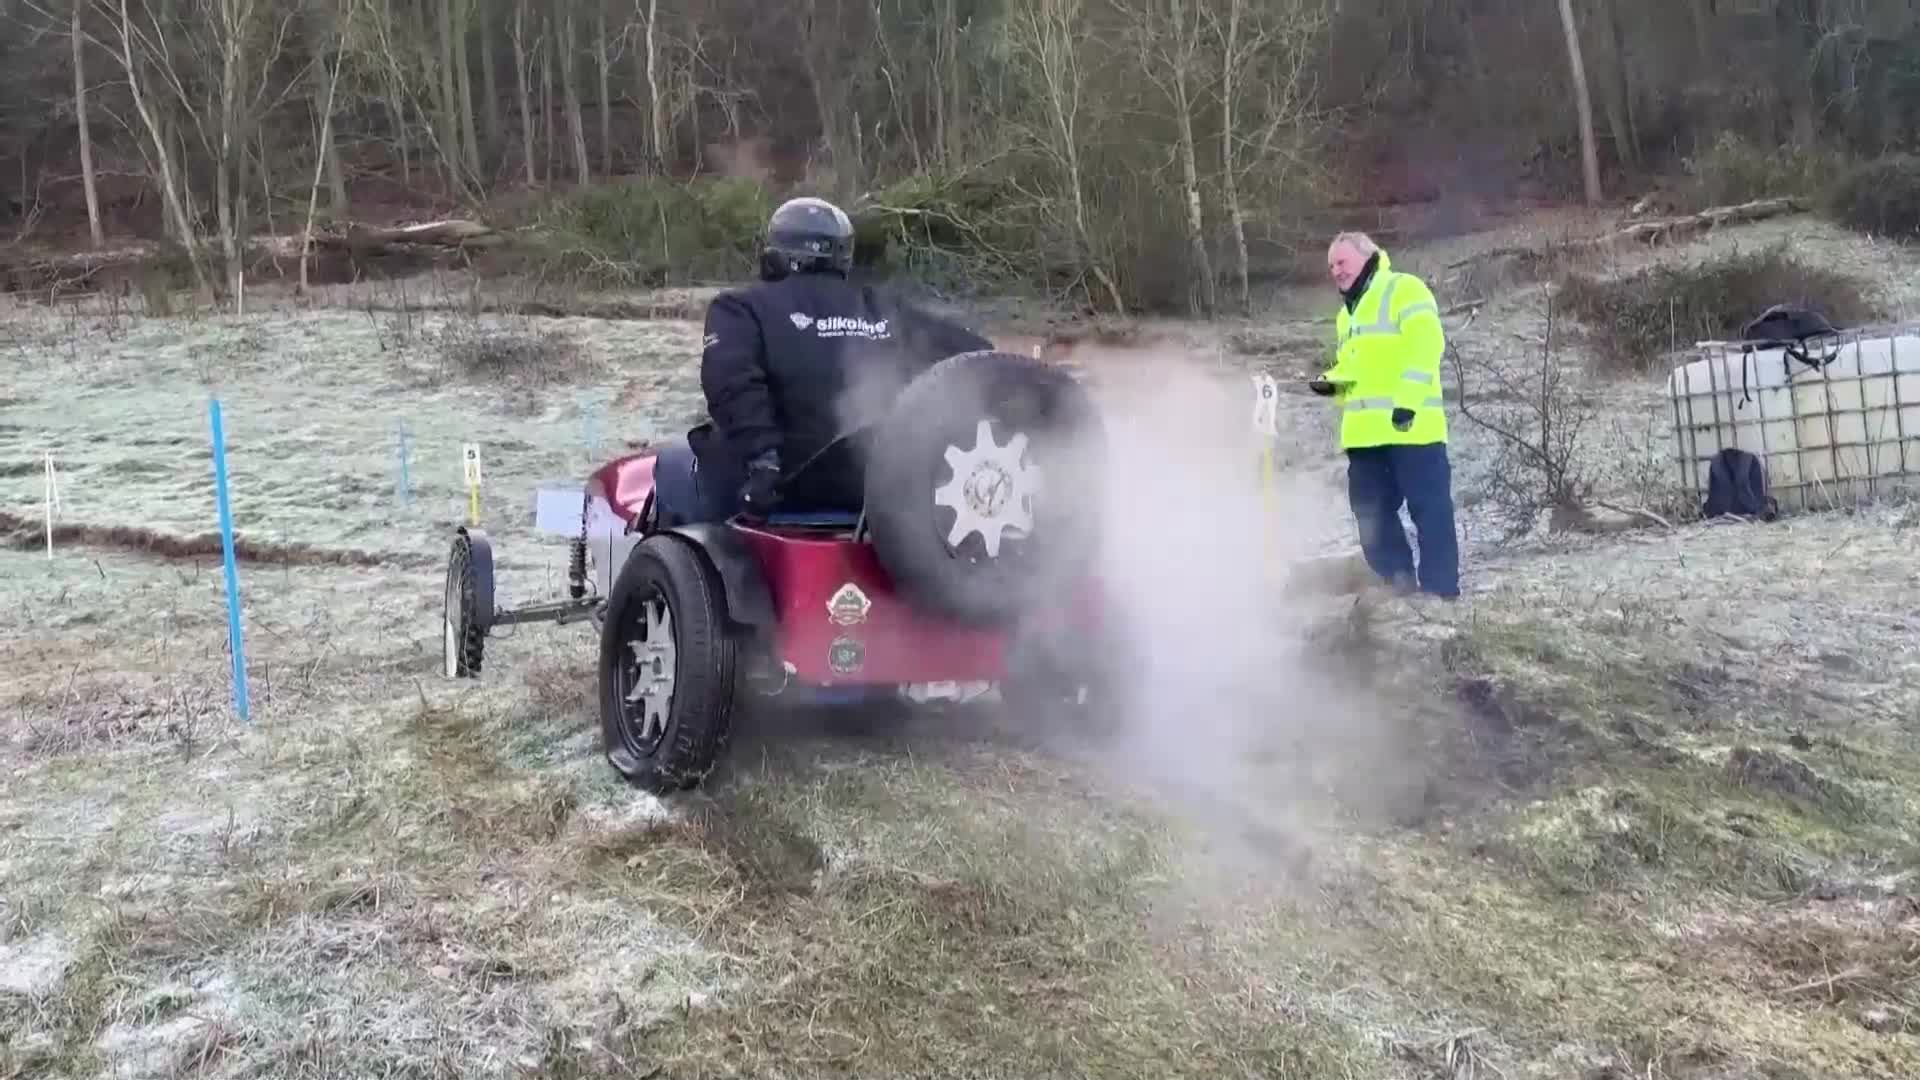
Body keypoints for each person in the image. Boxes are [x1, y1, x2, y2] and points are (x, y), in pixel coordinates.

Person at [658, 196, 995, 525]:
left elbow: (731, 384)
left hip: (780, 486)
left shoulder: (739, 308)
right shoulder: (885, 309)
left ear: (776, 250)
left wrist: (763, 461)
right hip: (874, 484)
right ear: (842, 255)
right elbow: (980, 357)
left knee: (673, 462)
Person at [1310, 231, 1460, 600]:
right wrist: (1331, 381)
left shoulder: (1404, 289)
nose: (1336, 272)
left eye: (1341, 262)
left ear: (1367, 256)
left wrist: (1407, 401)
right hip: (1364, 437)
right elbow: (1355, 364)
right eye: (1331, 266)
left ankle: (1441, 593)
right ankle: (1399, 582)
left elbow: (1426, 344)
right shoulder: (1347, 315)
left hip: (1412, 428)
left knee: (1430, 511)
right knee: (1369, 515)